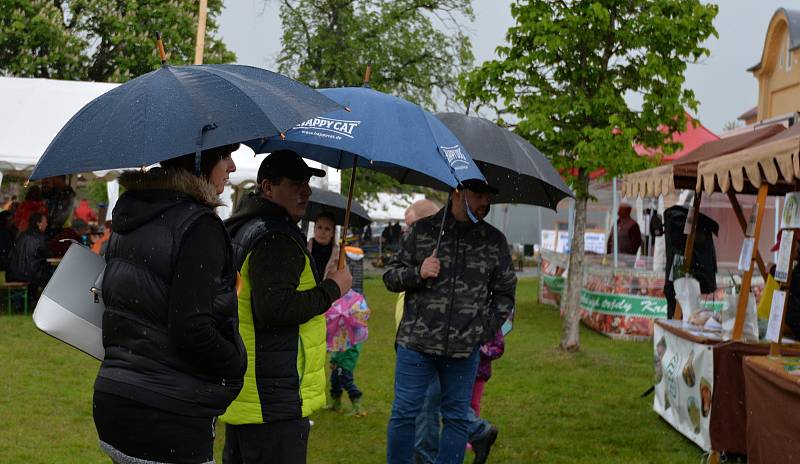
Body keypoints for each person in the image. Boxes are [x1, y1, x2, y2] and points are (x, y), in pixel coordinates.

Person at [92, 144, 247, 464]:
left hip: (116, 397)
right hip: (168, 411)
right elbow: (191, 327)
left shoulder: (132, 215)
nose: (231, 166)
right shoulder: (198, 225)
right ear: (201, 161)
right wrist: (235, 363)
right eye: (225, 156)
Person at [221, 150, 352, 464]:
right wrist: (333, 287)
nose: (305, 191)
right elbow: (275, 310)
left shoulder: (246, 225)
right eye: (296, 184)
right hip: (273, 397)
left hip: (250, 390)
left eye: (306, 183)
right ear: (268, 188)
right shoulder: (274, 237)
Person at [383, 180, 516, 464]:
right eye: (478, 195)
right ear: (457, 192)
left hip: (463, 350)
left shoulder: (494, 241)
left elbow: (505, 294)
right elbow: (390, 277)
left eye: (488, 196)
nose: (485, 203)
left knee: (456, 418)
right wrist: (418, 272)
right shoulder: (422, 231)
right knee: (404, 414)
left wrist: (481, 331)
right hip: (416, 344)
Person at [6, 212, 52, 295]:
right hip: (31, 275)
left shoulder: (21, 235)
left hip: (13, 274)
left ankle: (22, 301)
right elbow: (48, 254)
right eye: (45, 222)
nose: (47, 224)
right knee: (51, 274)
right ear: (38, 223)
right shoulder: (41, 238)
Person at [308, 211, 338, 279]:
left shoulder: (338, 256)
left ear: (332, 233)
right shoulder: (304, 249)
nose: (322, 232)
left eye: (327, 229)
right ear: (314, 229)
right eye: (319, 227)